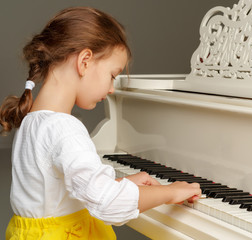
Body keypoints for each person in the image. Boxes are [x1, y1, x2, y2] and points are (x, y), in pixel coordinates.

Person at [0, 7, 201, 240]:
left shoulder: (32, 120)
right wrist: (169, 192)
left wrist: (118, 183)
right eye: (112, 75)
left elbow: (56, 195)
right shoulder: (64, 128)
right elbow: (107, 204)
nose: (111, 88)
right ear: (85, 61)